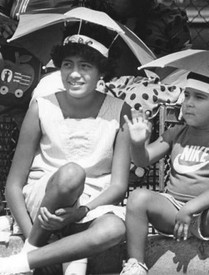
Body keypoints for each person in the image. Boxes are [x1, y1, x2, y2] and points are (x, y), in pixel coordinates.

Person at [0, 22, 131, 275]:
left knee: (114, 229)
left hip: (92, 206)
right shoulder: (42, 107)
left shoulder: (119, 110)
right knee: (72, 174)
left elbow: (118, 186)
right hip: (45, 204)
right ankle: (32, 250)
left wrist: (82, 211)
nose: (74, 74)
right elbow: (13, 185)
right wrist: (31, 233)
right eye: (67, 64)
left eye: (85, 66)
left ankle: (24, 262)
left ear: (101, 71)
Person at [120, 72, 209, 275]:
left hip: (207, 214)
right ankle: (135, 263)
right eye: (187, 95)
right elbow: (143, 160)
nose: (188, 103)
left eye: (199, 97)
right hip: (173, 211)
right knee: (137, 197)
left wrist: (191, 208)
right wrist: (138, 143)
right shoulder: (175, 133)